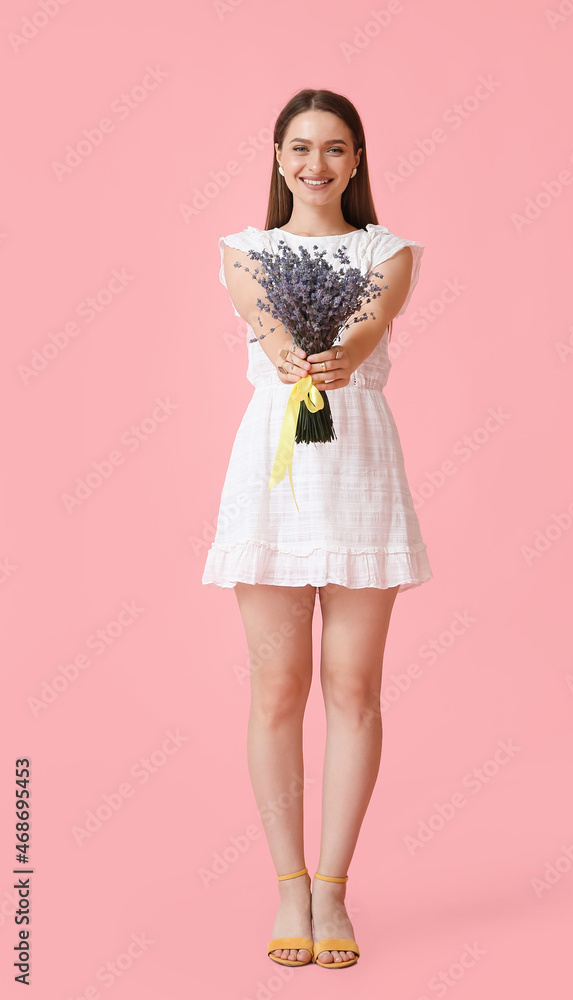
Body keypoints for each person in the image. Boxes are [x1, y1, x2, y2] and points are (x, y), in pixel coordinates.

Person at [202, 88, 433, 968]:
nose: (315, 164)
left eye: (334, 149)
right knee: (275, 690)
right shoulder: (243, 250)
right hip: (273, 476)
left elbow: (372, 320)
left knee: (354, 688)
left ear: (357, 160)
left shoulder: (390, 250)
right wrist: (289, 352)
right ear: (276, 156)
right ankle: (287, 883)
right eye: (300, 148)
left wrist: (343, 353)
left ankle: (333, 889)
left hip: (360, 473)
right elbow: (262, 321)